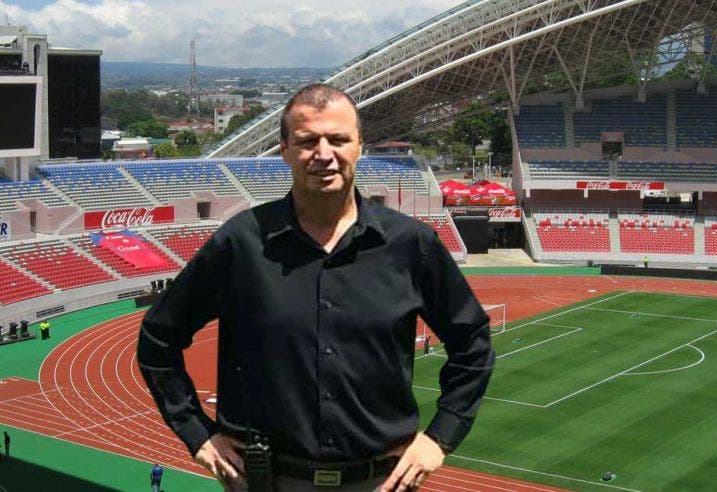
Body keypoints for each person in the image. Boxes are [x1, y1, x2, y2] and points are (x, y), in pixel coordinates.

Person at [138, 84, 494, 492]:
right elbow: (158, 338)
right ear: (285, 149)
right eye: (308, 141)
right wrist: (197, 433)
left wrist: (439, 437)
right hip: (268, 482)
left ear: (360, 145)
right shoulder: (241, 242)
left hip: (380, 483)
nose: (324, 154)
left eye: (339, 139)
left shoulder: (411, 244)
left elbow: (473, 344)